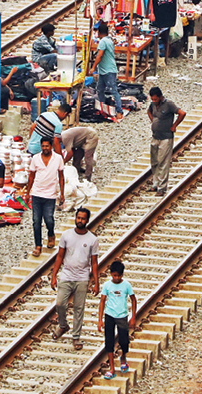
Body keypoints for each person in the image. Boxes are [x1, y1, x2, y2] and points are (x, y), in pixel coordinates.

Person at [51, 207, 100, 350]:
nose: (80, 221)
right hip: (66, 275)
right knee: (60, 304)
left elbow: (94, 262)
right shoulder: (66, 235)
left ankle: (76, 337)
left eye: (83, 219)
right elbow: (60, 256)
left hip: (82, 277)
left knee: (79, 308)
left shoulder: (92, 239)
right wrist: (54, 276)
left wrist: (96, 283)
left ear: (87, 220)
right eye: (78, 218)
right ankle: (63, 325)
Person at [97, 259, 134, 378]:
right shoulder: (107, 285)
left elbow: (133, 299)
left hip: (122, 315)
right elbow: (102, 301)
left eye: (118, 276)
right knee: (109, 341)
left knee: (124, 340)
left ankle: (123, 357)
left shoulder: (126, 285)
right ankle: (112, 368)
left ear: (122, 275)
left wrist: (133, 316)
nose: (116, 278)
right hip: (109, 315)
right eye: (114, 275)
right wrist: (100, 320)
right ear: (111, 274)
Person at [146, 85, 185, 196]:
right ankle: (155, 184)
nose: (154, 101)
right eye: (152, 99)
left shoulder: (169, 104)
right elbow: (149, 111)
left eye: (155, 99)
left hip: (166, 138)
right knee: (154, 161)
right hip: (155, 136)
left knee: (163, 162)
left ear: (160, 97)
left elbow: (182, 113)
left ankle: (162, 187)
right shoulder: (153, 105)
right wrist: (153, 121)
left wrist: (174, 125)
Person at [27, 141, 65, 256]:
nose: (45, 148)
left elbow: (61, 176)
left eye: (47, 146)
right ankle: (38, 246)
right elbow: (31, 176)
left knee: (49, 219)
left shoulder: (58, 158)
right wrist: (28, 192)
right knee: (36, 221)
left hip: (50, 195)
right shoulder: (35, 158)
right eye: (43, 146)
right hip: (37, 193)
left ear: (51, 146)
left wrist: (62, 193)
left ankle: (51, 234)